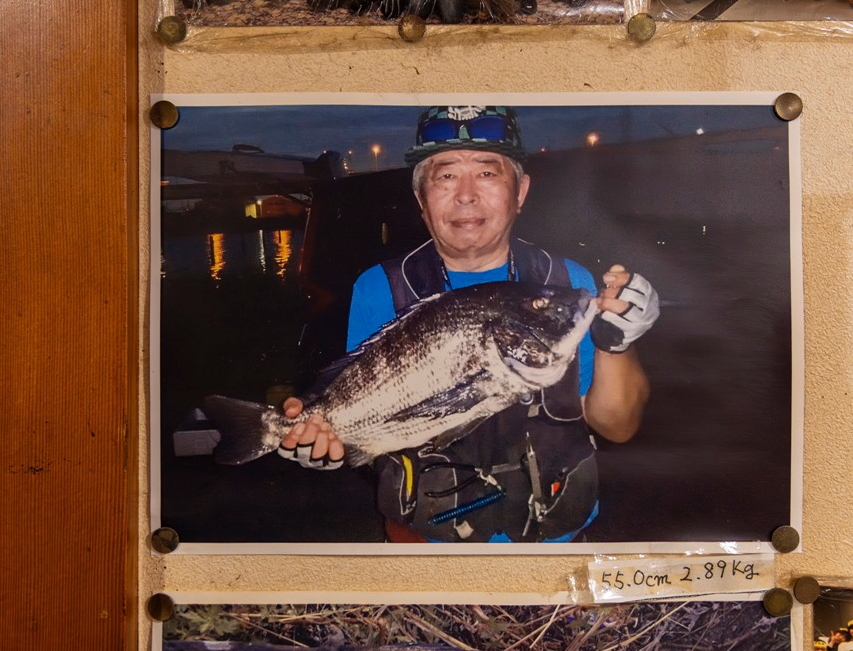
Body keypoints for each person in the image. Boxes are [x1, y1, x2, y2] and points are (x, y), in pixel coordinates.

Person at [277, 105, 659, 543]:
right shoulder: (379, 287)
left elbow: (618, 426)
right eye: (445, 176)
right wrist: (325, 441)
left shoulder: (566, 282)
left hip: (556, 547)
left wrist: (618, 342)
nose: (466, 194)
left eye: (487, 173)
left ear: (520, 191)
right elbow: (364, 415)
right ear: (421, 198)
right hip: (427, 546)